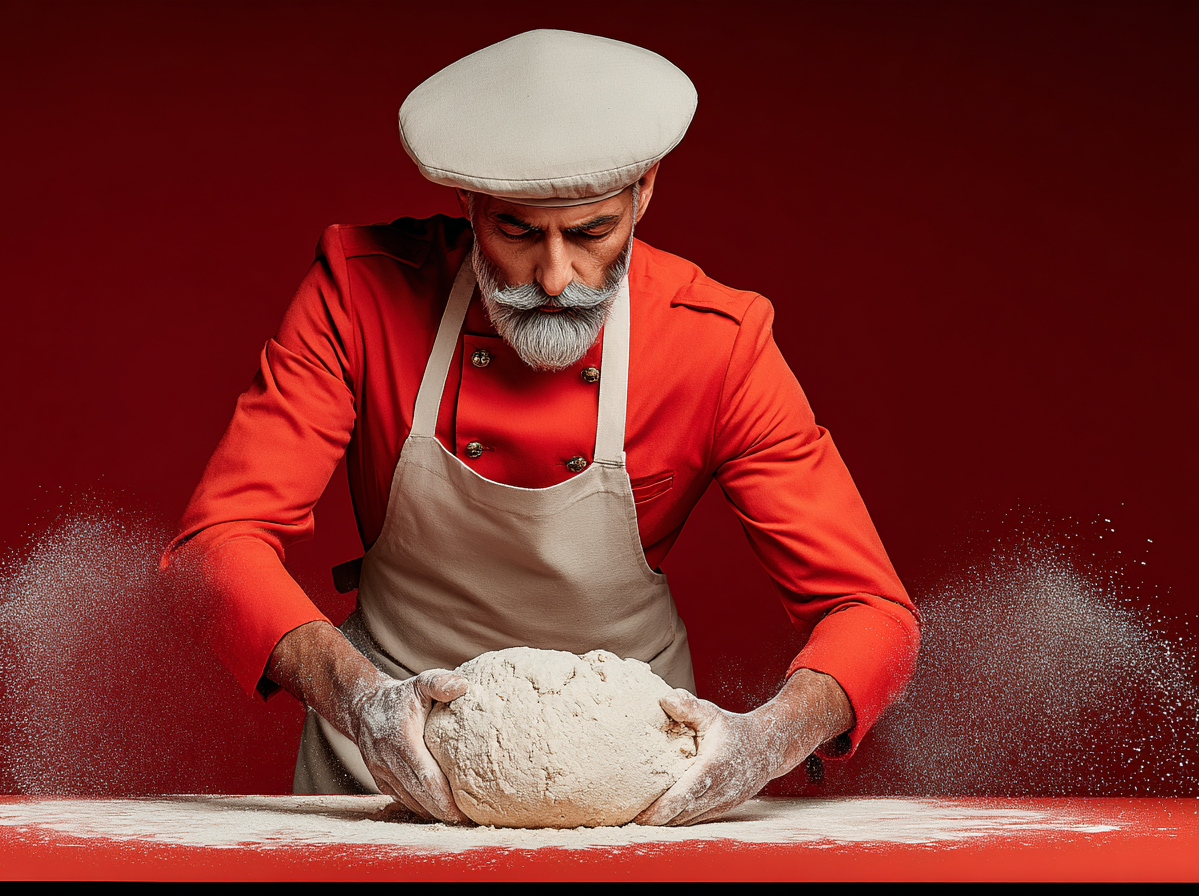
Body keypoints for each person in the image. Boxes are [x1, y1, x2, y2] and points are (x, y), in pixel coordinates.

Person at [166, 29, 919, 826]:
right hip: (381, 769)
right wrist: (359, 702)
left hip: (633, 789)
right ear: (468, 203)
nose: (554, 279)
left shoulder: (717, 342)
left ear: (645, 193)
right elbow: (215, 548)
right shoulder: (361, 295)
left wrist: (764, 740)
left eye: (592, 232)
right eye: (517, 232)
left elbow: (870, 611)